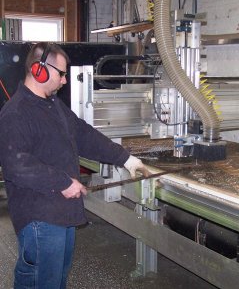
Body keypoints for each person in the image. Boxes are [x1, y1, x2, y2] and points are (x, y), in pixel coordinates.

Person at [0, 42, 149, 289]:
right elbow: (17, 165)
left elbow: (83, 134)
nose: (65, 80)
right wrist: (62, 182)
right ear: (40, 71)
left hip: (61, 210)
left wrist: (125, 158)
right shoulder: (16, 113)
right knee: (41, 281)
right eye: (61, 73)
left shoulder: (52, 105)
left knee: (56, 279)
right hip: (40, 217)